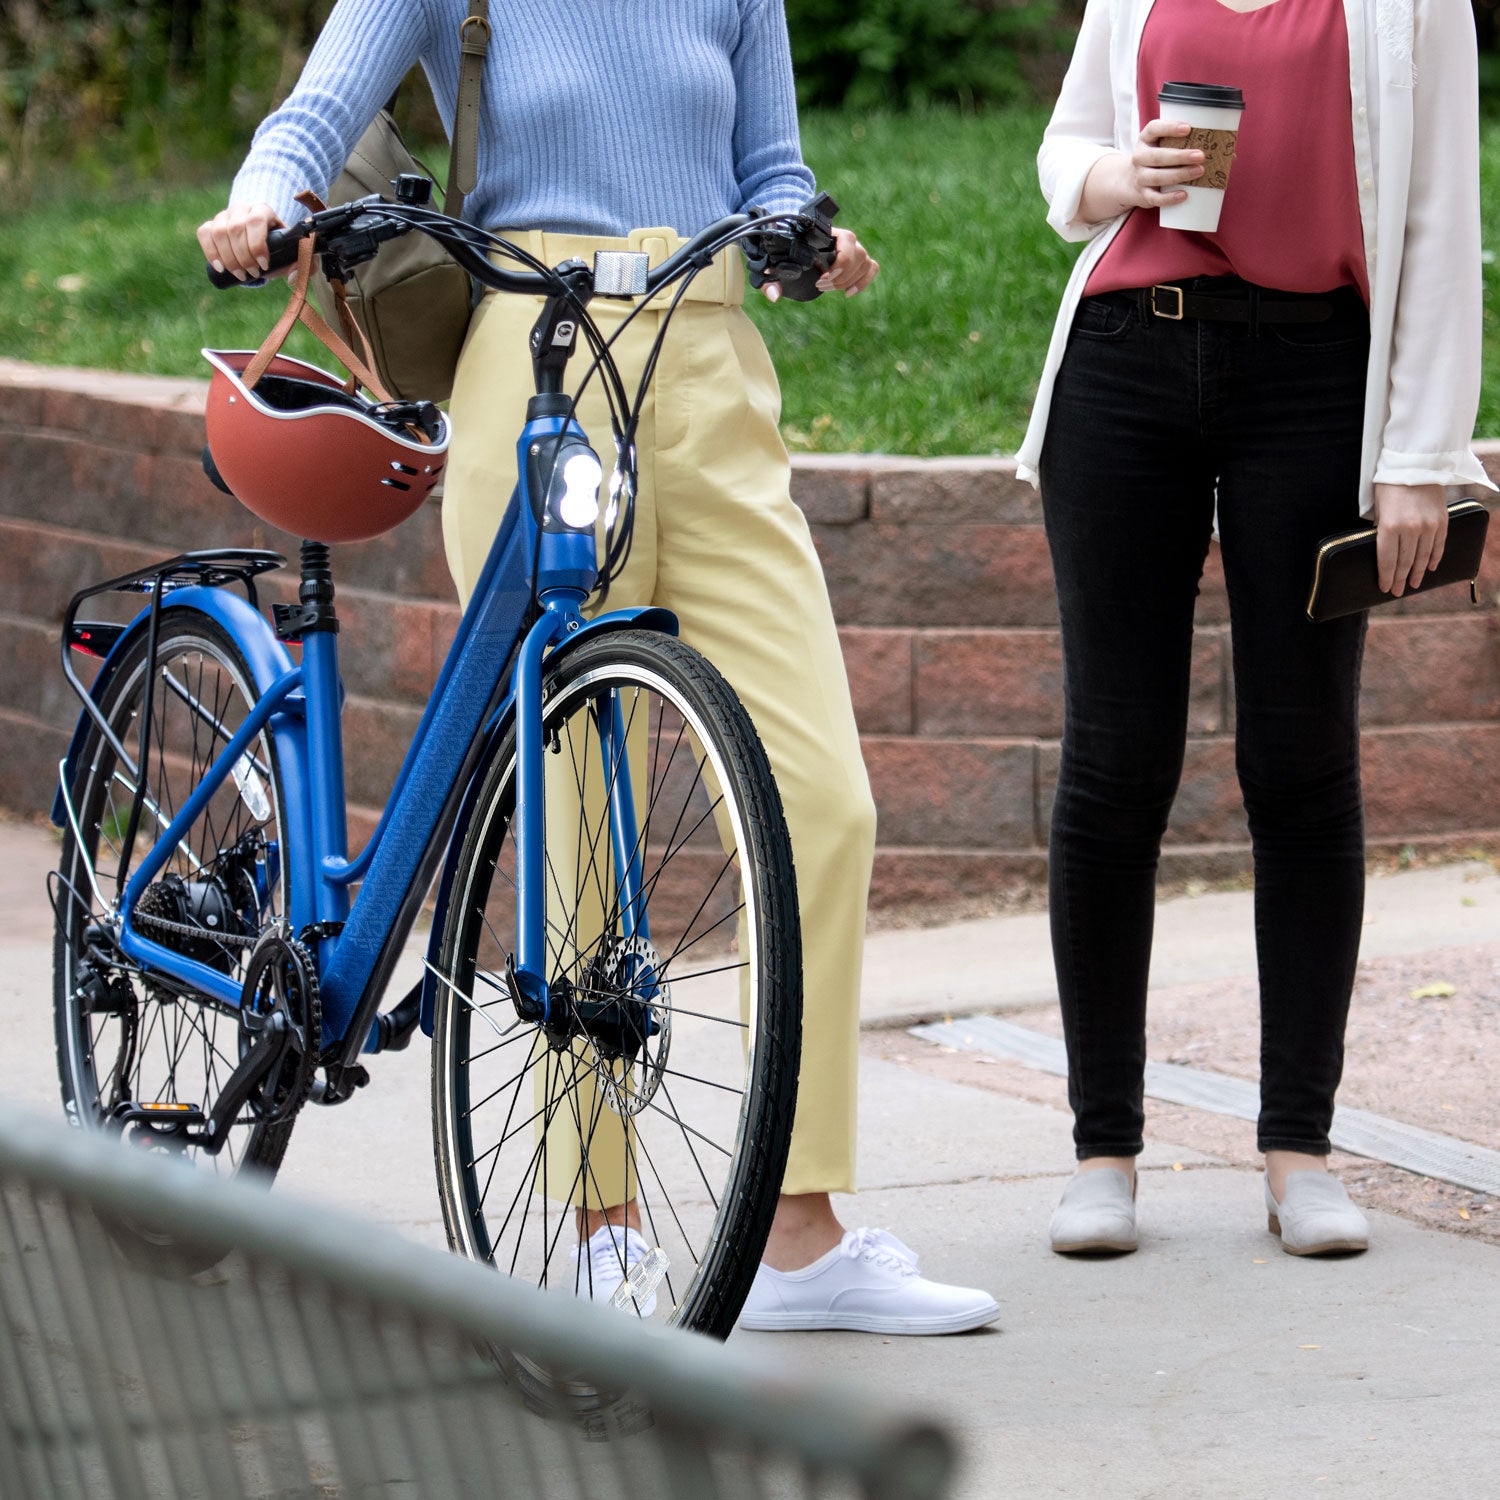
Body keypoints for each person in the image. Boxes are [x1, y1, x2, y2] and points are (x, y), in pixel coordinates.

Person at [198, 0, 998, 1334]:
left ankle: (795, 1236)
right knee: (577, 803)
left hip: (715, 372)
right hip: (539, 367)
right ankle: (600, 1229)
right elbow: (318, 112)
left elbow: (773, 171)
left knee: (821, 798)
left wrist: (812, 238)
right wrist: (265, 193)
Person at [1014, 0, 1492, 1256]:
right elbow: (1067, 147)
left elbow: (1444, 215)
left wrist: (1422, 452)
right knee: (1117, 763)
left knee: (1300, 762)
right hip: (1126, 361)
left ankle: (1298, 1152)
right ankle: (1102, 1151)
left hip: (1317, 378)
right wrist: (1113, 176)